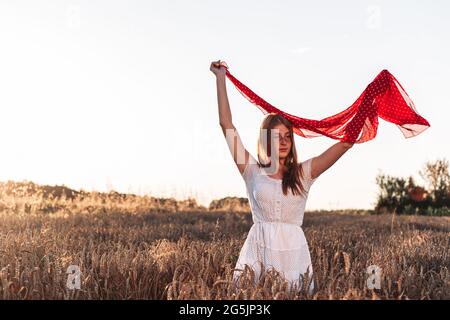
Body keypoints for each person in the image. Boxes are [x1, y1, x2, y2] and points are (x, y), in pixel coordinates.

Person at [210, 60, 354, 293]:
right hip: (258, 251)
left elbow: (346, 143)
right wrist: (220, 78)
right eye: (278, 136)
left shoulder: (304, 173)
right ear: (266, 140)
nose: (285, 141)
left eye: (288, 136)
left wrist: (370, 105)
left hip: (293, 254)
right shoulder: (251, 171)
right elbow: (226, 124)